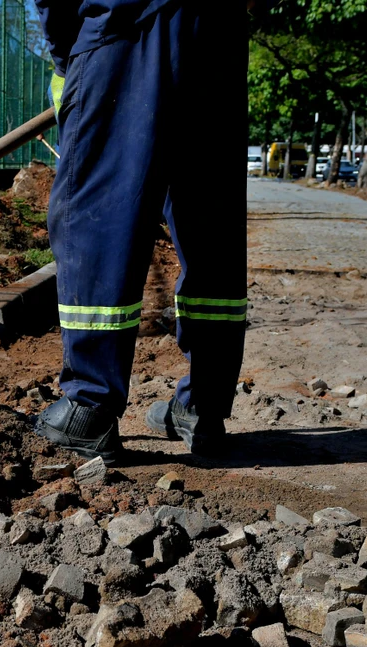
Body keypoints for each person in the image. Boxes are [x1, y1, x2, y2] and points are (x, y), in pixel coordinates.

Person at [31, 0, 248, 463]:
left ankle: (89, 406)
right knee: (210, 221)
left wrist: (68, 56)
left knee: (101, 216)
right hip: (218, 35)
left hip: (124, 23)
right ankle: (203, 407)